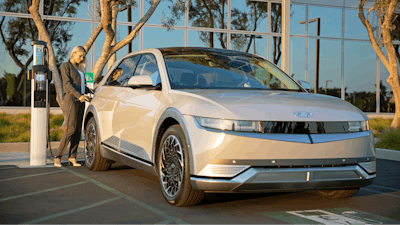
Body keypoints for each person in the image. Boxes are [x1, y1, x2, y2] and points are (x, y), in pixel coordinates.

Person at [54, 46, 90, 167]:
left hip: (81, 100)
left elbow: (85, 86)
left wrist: (94, 92)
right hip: (71, 98)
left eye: (83, 57)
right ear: (73, 54)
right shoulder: (66, 66)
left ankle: (72, 156)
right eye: (80, 56)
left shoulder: (81, 69)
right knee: (71, 129)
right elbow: (67, 84)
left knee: (78, 130)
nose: (82, 58)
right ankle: (58, 157)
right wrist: (78, 95)